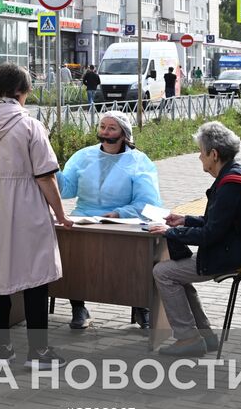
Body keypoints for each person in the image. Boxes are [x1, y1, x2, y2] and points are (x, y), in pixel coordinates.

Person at [0, 63, 71, 367]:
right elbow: (46, 177)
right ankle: (38, 352)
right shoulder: (29, 126)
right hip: (26, 208)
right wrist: (61, 215)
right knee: (35, 278)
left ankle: (1, 350)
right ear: (22, 91)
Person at [148, 121, 241, 356]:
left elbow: (210, 235)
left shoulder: (230, 186)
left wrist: (171, 232)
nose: (199, 158)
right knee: (176, 271)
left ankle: (187, 338)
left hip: (233, 255)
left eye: (201, 153)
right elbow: (218, 224)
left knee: (163, 272)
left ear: (214, 154)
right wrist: (185, 220)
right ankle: (205, 336)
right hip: (235, 248)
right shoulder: (235, 174)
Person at [57, 110, 163, 329]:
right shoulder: (83, 156)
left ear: (124, 134)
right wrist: (51, 171)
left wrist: (119, 213)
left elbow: (147, 201)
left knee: (134, 259)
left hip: (123, 223)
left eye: (111, 128)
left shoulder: (138, 161)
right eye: (102, 126)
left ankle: (140, 307)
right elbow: (66, 189)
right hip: (84, 218)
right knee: (74, 258)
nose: (105, 132)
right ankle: (78, 307)